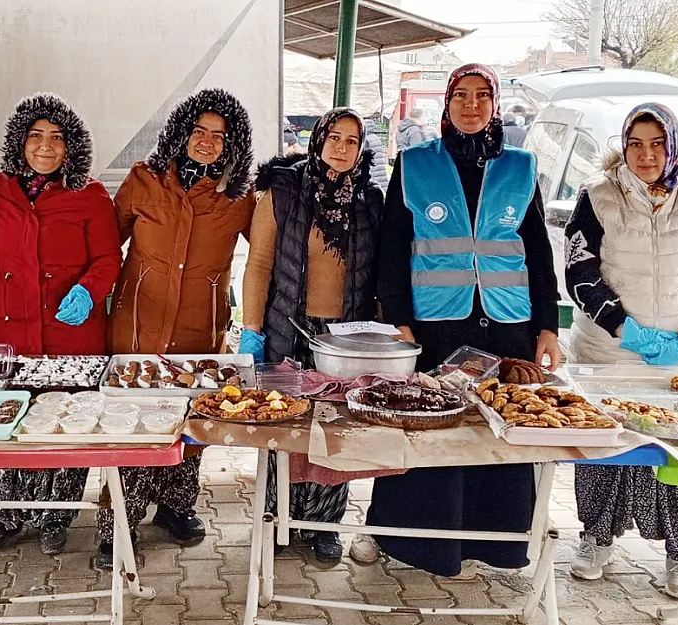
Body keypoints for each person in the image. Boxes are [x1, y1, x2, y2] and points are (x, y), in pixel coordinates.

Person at [354, 63, 562, 577]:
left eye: (482, 95)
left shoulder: (521, 165)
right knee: (423, 427)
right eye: (461, 95)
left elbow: (537, 250)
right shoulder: (415, 163)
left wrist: (548, 326)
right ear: (446, 104)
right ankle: (399, 539)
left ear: (495, 103)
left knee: (499, 433)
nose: (472, 105)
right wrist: (399, 321)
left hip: (507, 322)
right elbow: (392, 251)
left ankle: (492, 545)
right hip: (436, 324)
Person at [564, 102, 678, 597]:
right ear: (623, 147)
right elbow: (579, 270)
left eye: (657, 143)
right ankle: (596, 538)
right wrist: (623, 328)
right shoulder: (597, 196)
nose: (646, 155)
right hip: (609, 350)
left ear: (673, 145)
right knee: (605, 448)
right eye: (635, 144)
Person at [98, 88, 255, 569]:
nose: (207, 142)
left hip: (199, 330)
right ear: (180, 132)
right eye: (199, 131)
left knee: (190, 423)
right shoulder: (144, 180)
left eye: (219, 136)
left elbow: (271, 252)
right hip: (138, 324)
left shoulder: (239, 197)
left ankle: (175, 507)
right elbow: (105, 244)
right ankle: (117, 523)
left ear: (232, 145)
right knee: (130, 426)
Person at [0, 94, 121, 555]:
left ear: (71, 146)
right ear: (20, 141)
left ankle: (56, 515)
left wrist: (88, 290)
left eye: (57, 138)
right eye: (35, 136)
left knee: (68, 421)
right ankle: (6, 512)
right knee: (12, 419)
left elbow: (108, 258)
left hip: (70, 331)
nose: (45, 146)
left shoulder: (91, 193)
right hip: (9, 331)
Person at [239, 108, 384, 563]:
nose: (342, 148)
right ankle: (273, 518)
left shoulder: (370, 200)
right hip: (287, 328)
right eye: (334, 137)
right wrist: (251, 328)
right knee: (284, 427)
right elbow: (259, 263)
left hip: (343, 338)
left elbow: (378, 273)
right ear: (317, 139)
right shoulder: (281, 191)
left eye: (352, 141)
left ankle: (323, 525)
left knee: (332, 432)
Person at [362, 118, 390, 190]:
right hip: (379, 163)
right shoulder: (376, 138)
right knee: (381, 183)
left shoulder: (366, 139)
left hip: (372, 166)